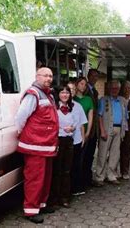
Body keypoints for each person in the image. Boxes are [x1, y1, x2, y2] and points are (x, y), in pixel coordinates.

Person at [15, 67, 59, 223]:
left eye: (51, 76)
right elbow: (21, 117)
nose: (48, 78)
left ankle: (41, 204)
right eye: (45, 75)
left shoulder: (48, 94)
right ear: (37, 76)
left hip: (45, 145)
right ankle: (31, 211)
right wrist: (21, 133)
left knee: (45, 178)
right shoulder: (33, 94)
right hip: (35, 145)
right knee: (34, 178)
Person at [49, 85, 84, 208]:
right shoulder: (53, 108)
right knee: (56, 170)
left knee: (67, 170)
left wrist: (72, 127)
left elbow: (76, 123)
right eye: (62, 92)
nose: (65, 95)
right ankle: (54, 198)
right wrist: (61, 128)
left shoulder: (72, 107)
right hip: (57, 140)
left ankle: (65, 197)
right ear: (58, 94)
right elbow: (50, 124)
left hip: (69, 141)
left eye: (67, 92)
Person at [93, 80, 128, 186]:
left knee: (115, 154)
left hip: (119, 130)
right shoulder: (104, 100)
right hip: (107, 129)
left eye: (116, 88)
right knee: (102, 154)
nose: (114, 90)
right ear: (109, 89)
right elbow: (99, 116)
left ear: (119, 89)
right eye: (112, 88)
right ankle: (99, 177)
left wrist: (124, 132)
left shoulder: (123, 100)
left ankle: (111, 175)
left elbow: (126, 117)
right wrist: (102, 131)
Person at [72, 77, 93, 194]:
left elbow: (90, 117)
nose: (83, 86)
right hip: (72, 131)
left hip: (83, 131)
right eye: (81, 84)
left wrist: (88, 132)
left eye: (85, 85)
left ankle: (81, 183)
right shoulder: (72, 99)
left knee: (82, 159)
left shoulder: (88, 100)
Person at [83, 69, 100, 187]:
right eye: (93, 76)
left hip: (93, 128)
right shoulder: (85, 90)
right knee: (84, 155)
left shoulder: (95, 91)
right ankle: (83, 180)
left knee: (90, 155)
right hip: (85, 127)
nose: (94, 78)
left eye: (96, 76)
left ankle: (88, 178)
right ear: (88, 76)